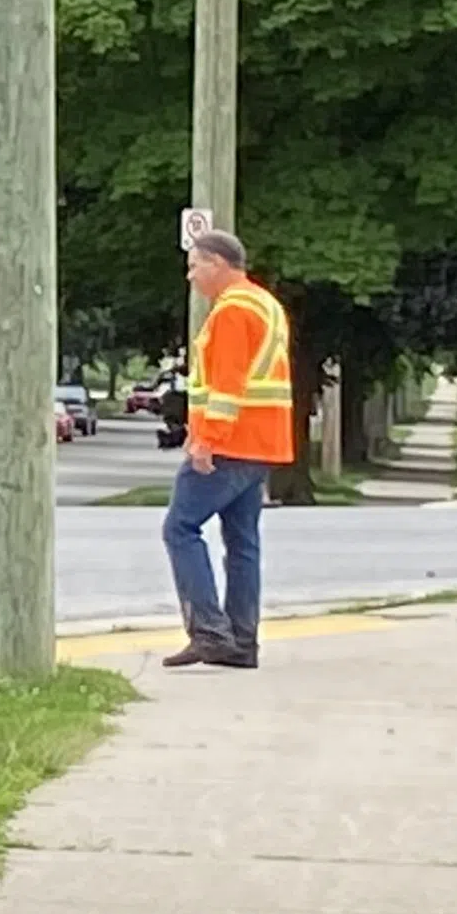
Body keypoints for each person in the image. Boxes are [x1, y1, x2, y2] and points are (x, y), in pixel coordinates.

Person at [165, 226, 294, 668]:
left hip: (231, 442)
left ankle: (209, 631)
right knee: (242, 541)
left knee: (180, 528)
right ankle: (241, 641)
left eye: (194, 265)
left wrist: (206, 440)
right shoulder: (266, 304)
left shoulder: (231, 312)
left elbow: (226, 385)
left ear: (217, 264)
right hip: (264, 442)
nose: (191, 276)